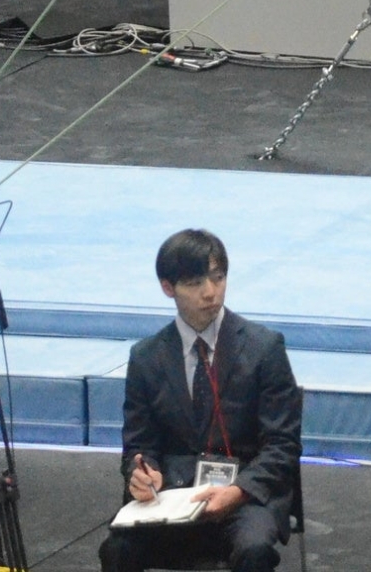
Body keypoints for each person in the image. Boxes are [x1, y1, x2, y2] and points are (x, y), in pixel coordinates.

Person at [105, 227, 301, 572]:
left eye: (218, 278)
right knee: (116, 550)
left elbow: (282, 445)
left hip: (243, 497)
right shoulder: (146, 358)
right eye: (195, 283)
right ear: (168, 288)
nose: (210, 292)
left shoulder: (264, 348)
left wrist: (239, 491)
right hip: (172, 497)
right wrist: (142, 472)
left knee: (254, 550)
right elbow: (138, 445)